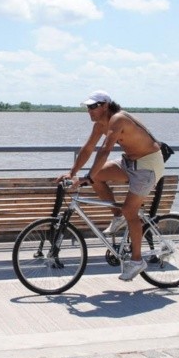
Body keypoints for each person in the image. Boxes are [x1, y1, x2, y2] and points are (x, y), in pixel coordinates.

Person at [58, 90, 164, 282]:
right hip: (130, 162)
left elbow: (105, 150)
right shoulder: (100, 124)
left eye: (93, 107)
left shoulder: (118, 119)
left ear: (105, 106)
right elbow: (89, 148)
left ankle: (137, 260)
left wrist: (88, 176)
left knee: (130, 211)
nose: (89, 111)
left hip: (148, 165)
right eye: (87, 107)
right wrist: (72, 173)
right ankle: (118, 218)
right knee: (99, 178)